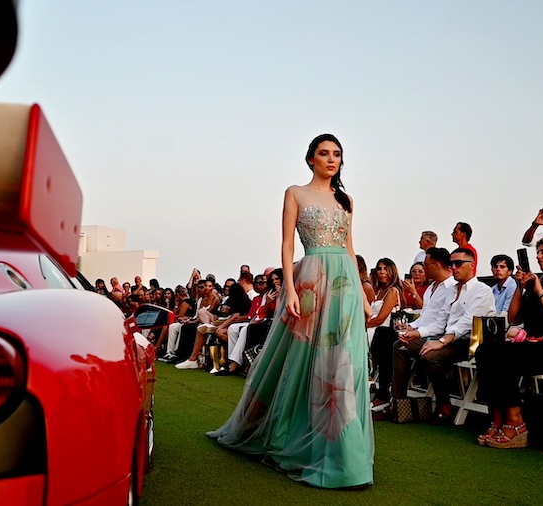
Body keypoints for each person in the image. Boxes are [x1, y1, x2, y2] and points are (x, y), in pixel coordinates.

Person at [207, 133, 374, 489]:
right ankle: (286, 434)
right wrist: (291, 288)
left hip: (344, 282)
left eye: (337, 155)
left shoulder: (346, 200)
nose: (332, 159)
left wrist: (361, 292)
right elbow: (286, 243)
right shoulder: (295, 193)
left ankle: (346, 453)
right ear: (310, 158)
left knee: (345, 362)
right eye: (324, 153)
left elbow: (349, 247)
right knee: (304, 360)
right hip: (311, 278)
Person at [475, 237, 543, 449]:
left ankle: (516, 422)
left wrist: (539, 291)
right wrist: (520, 286)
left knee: (502, 355)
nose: (538, 256)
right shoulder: (539, 284)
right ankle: (500, 417)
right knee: (485, 350)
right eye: (538, 252)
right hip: (533, 347)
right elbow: (514, 318)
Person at [391, 248, 495, 424]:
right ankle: (398, 401)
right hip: (448, 338)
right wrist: (415, 333)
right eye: (452, 263)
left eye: (458, 263)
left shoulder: (482, 290)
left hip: (472, 342)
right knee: (400, 345)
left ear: (472, 266)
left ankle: (443, 402)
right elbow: (440, 321)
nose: (453, 267)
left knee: (430, 356)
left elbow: (467, 322)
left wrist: (440, 341)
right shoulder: (453, 290)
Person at [367, 258, 401, 414]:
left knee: (385, 364)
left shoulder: (393, 291)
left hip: (386, 332)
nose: (382, 272)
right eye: (379, 268)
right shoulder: (378, 291)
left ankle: (384, 395)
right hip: (375, 330)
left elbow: (381, 318)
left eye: (385, 269)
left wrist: (362, 326)